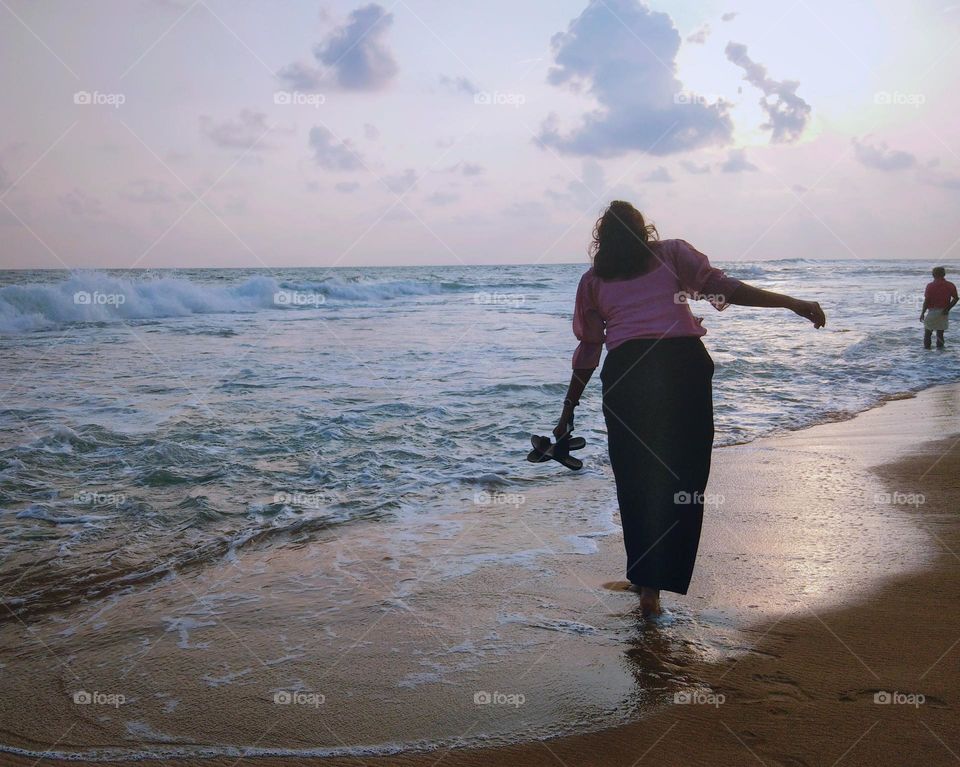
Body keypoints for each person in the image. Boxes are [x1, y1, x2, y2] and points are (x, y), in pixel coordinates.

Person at [555, 201, 826, 617]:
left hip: (629, 376)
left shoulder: (594, 281)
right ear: (644, 230)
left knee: (636, 478)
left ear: (601, 238)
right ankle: (657, 585)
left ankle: (647, 586)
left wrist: (568, 406)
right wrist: (791, 302)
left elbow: (589, 347)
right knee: (684, 478)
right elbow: (725, 289)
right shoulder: (672, 254)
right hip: (683, 367)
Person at [920, 267, 958, 349]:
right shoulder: (950, 285)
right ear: (944, 274)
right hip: (943, 312)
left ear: (933, 275)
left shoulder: (930, 286)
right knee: (940, 334)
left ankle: (927, 352)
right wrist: (947, 309)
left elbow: (927, 301)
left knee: (928, 333)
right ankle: (940, 355)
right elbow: (956, 298)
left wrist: (922, 313)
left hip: (932, 311)